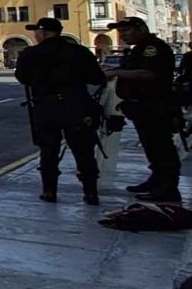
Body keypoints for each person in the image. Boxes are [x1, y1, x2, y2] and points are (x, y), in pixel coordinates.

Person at [14, 17, 106, 204]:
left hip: (46, 107)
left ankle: (49, 191)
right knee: (84, 152)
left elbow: (23, 78)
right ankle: (90, 193)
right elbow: (97, 78)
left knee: (48, 151)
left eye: (36, 32)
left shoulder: (30, 53)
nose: (35, 35)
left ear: (44, 32)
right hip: (76, 106)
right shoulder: (79, 52)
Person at [108, 16, 183, 204]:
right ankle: (156, 180)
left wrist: (116, 72)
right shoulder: (138, 50)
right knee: (151, 146)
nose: (123, 35)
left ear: (140, 29)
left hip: (156, 104)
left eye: (126, 31)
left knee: (161, 146)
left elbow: (148, 74)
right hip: (141, 105)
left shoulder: (153, 48)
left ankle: (167, 187)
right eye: (120, 32)